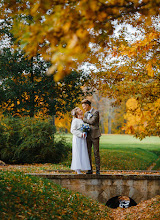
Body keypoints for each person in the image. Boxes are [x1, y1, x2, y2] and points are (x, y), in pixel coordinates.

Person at [82, 99, 101, 175]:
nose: (83, 108)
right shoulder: (86, 114)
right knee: (88, 153)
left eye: (84, 106)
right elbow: (86, 123)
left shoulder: (96, 112)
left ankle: (97, 170)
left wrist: (83, 119)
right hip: (88, 135)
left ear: (87, 105)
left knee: (96, 153)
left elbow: (92, 122)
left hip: (95, 135)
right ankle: (89, 169)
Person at [70, 107, 91, 174]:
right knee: (77, 152)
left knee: (82, 152)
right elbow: (72, 130)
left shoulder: (82, 120)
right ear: (77, 113)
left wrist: (85, 133)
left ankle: (83, 167)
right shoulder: (75, 120)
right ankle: (77, 168)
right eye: (79, 110)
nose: (81, 111)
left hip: (82, 139)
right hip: (77, 138)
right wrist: (80, 134)